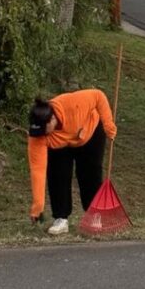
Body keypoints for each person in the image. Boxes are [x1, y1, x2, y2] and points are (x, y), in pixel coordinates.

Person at [27, 89, 117, 236]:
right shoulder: (38, 136)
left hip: (89, 133)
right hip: (60, 144)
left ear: (52, 120)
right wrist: (37, 206)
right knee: (57, 175)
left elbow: (98, 96)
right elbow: (38, 170)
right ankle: (61, 218)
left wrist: (108, 124)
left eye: (43, 130)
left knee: (90, 174)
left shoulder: (74, 105)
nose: (40, 135)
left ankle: (94, 215)